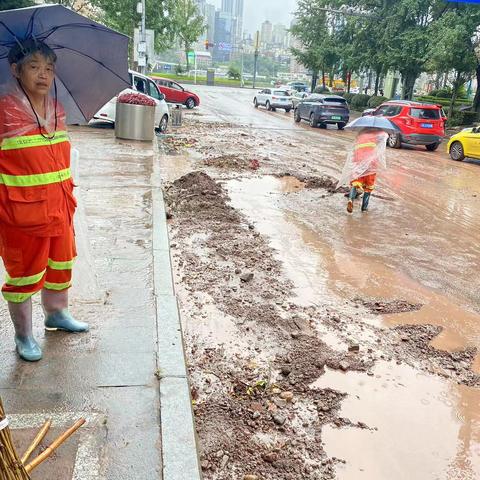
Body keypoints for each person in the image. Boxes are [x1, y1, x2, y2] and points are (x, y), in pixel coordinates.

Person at [0, 39, 88, 362]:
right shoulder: (3, 111)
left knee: (60, 265)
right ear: (15, 69)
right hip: (20, 212)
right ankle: (23, 335)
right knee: (23, 275)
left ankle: (56, 314)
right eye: (34, 66)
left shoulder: (57, 110)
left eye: (49, 68)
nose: (43, 74)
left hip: (59, 207)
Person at [344, 127, 388, 213]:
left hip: (359, 162)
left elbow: (354, 150)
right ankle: (364, 208)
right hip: (371, 165)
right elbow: (384, 137)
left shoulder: (360, 134)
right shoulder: (378, 134)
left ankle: (350, 200)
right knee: (368, 187)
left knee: (355, 183)